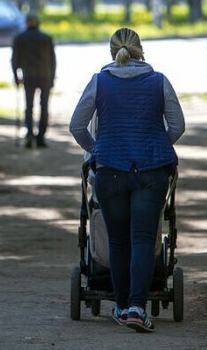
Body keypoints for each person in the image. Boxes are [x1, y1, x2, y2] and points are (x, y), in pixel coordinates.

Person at [69, 28, 185, 333]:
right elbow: (177, 125)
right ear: (140, 50)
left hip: (110, 172)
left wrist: (99, 149)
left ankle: (120, 307)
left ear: (112, 52)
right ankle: (137, 307)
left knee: (118, 240)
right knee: (144, 240)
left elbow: (76, 126)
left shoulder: (99, 81)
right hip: (151, 172)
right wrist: (156, 145)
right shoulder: (159, 81)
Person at [11, 14, 56, 149]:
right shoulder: (46, 38)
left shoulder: (19, 38)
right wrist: (52, 78)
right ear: (38, 23)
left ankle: (30, 136)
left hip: (28, 76)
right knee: (44, 107)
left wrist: (15, 76)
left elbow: (15, 60)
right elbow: (53, 61)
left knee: (29, 107)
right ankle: (41, 137)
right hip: (44, 76)